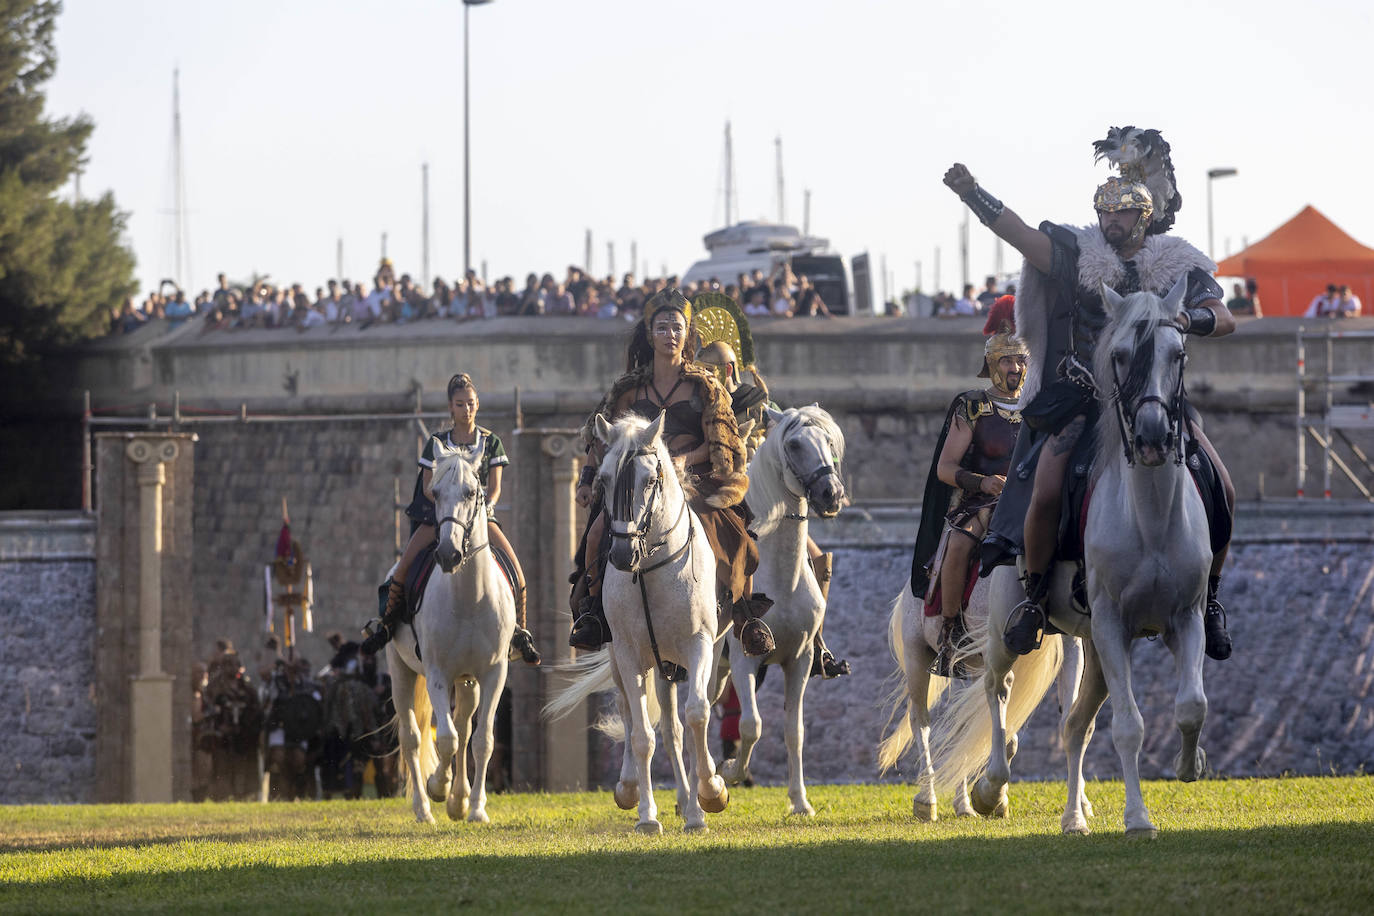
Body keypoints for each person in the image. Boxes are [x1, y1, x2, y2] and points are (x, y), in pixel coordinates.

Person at [944, 125, 1238, 662]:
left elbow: (1225, 319)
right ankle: (1033, 597)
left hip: (1155, 397)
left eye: (1123, 213)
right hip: (1085, 399)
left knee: (1222, 485)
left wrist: (1186, 317)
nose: (1112, 221)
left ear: (1143, 216)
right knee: (1048, 489)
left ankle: (1210, 598)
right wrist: (973, 193)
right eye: (1106, 212)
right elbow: (1023, 237)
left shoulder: (1176, 263)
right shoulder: (1078, 254)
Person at [567, 288, 773, 656]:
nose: (670, 335)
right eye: (662, 328)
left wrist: (681, 463)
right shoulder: (628, 391)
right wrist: (586, 479)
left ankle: (745, 614)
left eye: (677, 328)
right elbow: (601, 439)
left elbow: (720, 444)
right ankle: (593, 612)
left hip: (691, 477)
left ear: (687, 333)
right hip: (639, 484)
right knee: (597, 532)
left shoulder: (705, 386)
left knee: (737, 534)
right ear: (650, 335)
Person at [695, 335, 851, 679]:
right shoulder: (701, 404)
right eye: (702, 370)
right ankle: (710, 626)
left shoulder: (760, 404)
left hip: (766, 493)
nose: (707, 376)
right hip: (729, 494)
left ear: (729, 369)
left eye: (712, 370)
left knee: (817, 556)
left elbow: (789, 445)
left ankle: (817, 640)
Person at [361, 373, 541, 666]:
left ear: (478, 404)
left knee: (517, 572)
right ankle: (387, 625)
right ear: (451, 407)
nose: (467, 409)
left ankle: (519, 632)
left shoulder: (491, 442)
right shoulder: (435, 443)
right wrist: (449, 509)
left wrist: (481, 508)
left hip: (480, 517)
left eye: (471, 403)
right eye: (460, 404)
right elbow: (427, 486)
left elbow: (495, 488)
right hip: (440, 517)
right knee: (403, 565)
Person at [910, 296, 1027, 678]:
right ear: (992, 364)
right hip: (979, 501)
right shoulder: (973, 407)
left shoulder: (1037, 408)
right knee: (960, 544)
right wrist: (985, 483)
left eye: (1021, 360)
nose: (1016, 368)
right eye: (1008, 360)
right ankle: (950, 632)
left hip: (1028, 500)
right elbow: (946, 468)